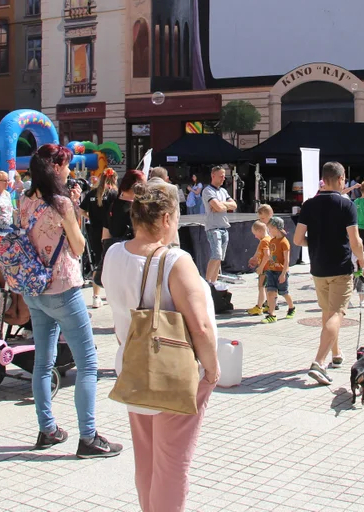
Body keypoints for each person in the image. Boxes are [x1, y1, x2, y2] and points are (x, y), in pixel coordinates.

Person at [101, 179, 218, 511]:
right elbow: (201, 326)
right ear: (166, 218)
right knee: (171, 466)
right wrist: (211, 371)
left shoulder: (113, 253)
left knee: (147, 460)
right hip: (172, 374)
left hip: (133, 367)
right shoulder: (175, 261)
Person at [21, 143, 121, 458]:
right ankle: (88, 437)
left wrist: (71, 207)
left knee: (42, 362)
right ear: (55, 168)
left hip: (34, 288)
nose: (69, 170)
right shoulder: (61, 203)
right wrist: (73, 212)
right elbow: (77, 247)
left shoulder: (23, 199)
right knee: (88, 363)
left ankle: (47, 429)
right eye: (65, 166)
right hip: (63, 287)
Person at [294, 162, 364, 386]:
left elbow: (297, 240)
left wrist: (314, 245)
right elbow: (355, 241)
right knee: (336, 314)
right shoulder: (347, 205)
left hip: (318, 268)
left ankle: (336, 354)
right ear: (342, 179)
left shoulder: (309, 205)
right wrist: (362, 260)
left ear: (323, 179)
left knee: (327, 312)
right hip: (340, 267)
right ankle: (319, 361)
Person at [83, 168, 117, 308]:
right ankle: (111, 294)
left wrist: (90, 217)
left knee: (98, 261)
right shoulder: (114, 194)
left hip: (94, 231)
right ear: (114, 179)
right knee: (111, 262)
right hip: (110, 231)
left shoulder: (92, 193)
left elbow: (80, 210)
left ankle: (96, 296)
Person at [202, 166, 237, 283]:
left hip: (224, 227)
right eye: (221, 176)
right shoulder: (208, 191)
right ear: (213, 176)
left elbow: (234, 205)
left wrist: (222, 205)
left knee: (220, 258)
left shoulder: (223, 191)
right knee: (216, 255)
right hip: (213, 228)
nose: (223, 178)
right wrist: (223, 205)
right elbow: (218, 207)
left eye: (224, 176)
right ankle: (207, 282)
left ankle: (214, 281)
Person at [261, 217, 295, 323]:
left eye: (270, 228)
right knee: (271, 292)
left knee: (283, 292)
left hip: (281, 272)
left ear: (276, 228)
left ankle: (291, 307)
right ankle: (272, 314)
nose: (269, 231)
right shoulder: (272, 241)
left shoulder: (284, 242)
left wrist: (283, 273)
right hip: (271, 271)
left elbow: (286, 260)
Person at [247, 220, 272, 316]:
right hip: (270, 268)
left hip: (265, 268)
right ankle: (269, 305)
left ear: (259, 231)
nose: (255, 236)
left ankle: (259, 307)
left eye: (255, 234)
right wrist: (256, 259)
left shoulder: (264, 241)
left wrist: (260, 267)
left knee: (261, 287)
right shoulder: (269, 238)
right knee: (267, 288)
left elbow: (267, 255)